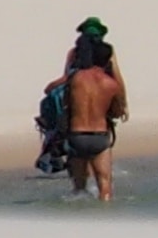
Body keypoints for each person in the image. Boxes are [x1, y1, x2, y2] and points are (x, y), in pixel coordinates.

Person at [33, 16, 104, 177]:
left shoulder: (74, 52)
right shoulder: (107, 51)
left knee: (54, 105)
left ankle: (54, 146)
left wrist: (51, 86)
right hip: (100, 89)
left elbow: (68, 76)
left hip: (75, 86)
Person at [61, 31, 129, 200]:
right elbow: (117, 111)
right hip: (100, 136)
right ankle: (105, 220)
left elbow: (52, 90)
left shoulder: (76, 78)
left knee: (79, 189)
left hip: (77, 135)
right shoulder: (111, 84)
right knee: (105, 184)